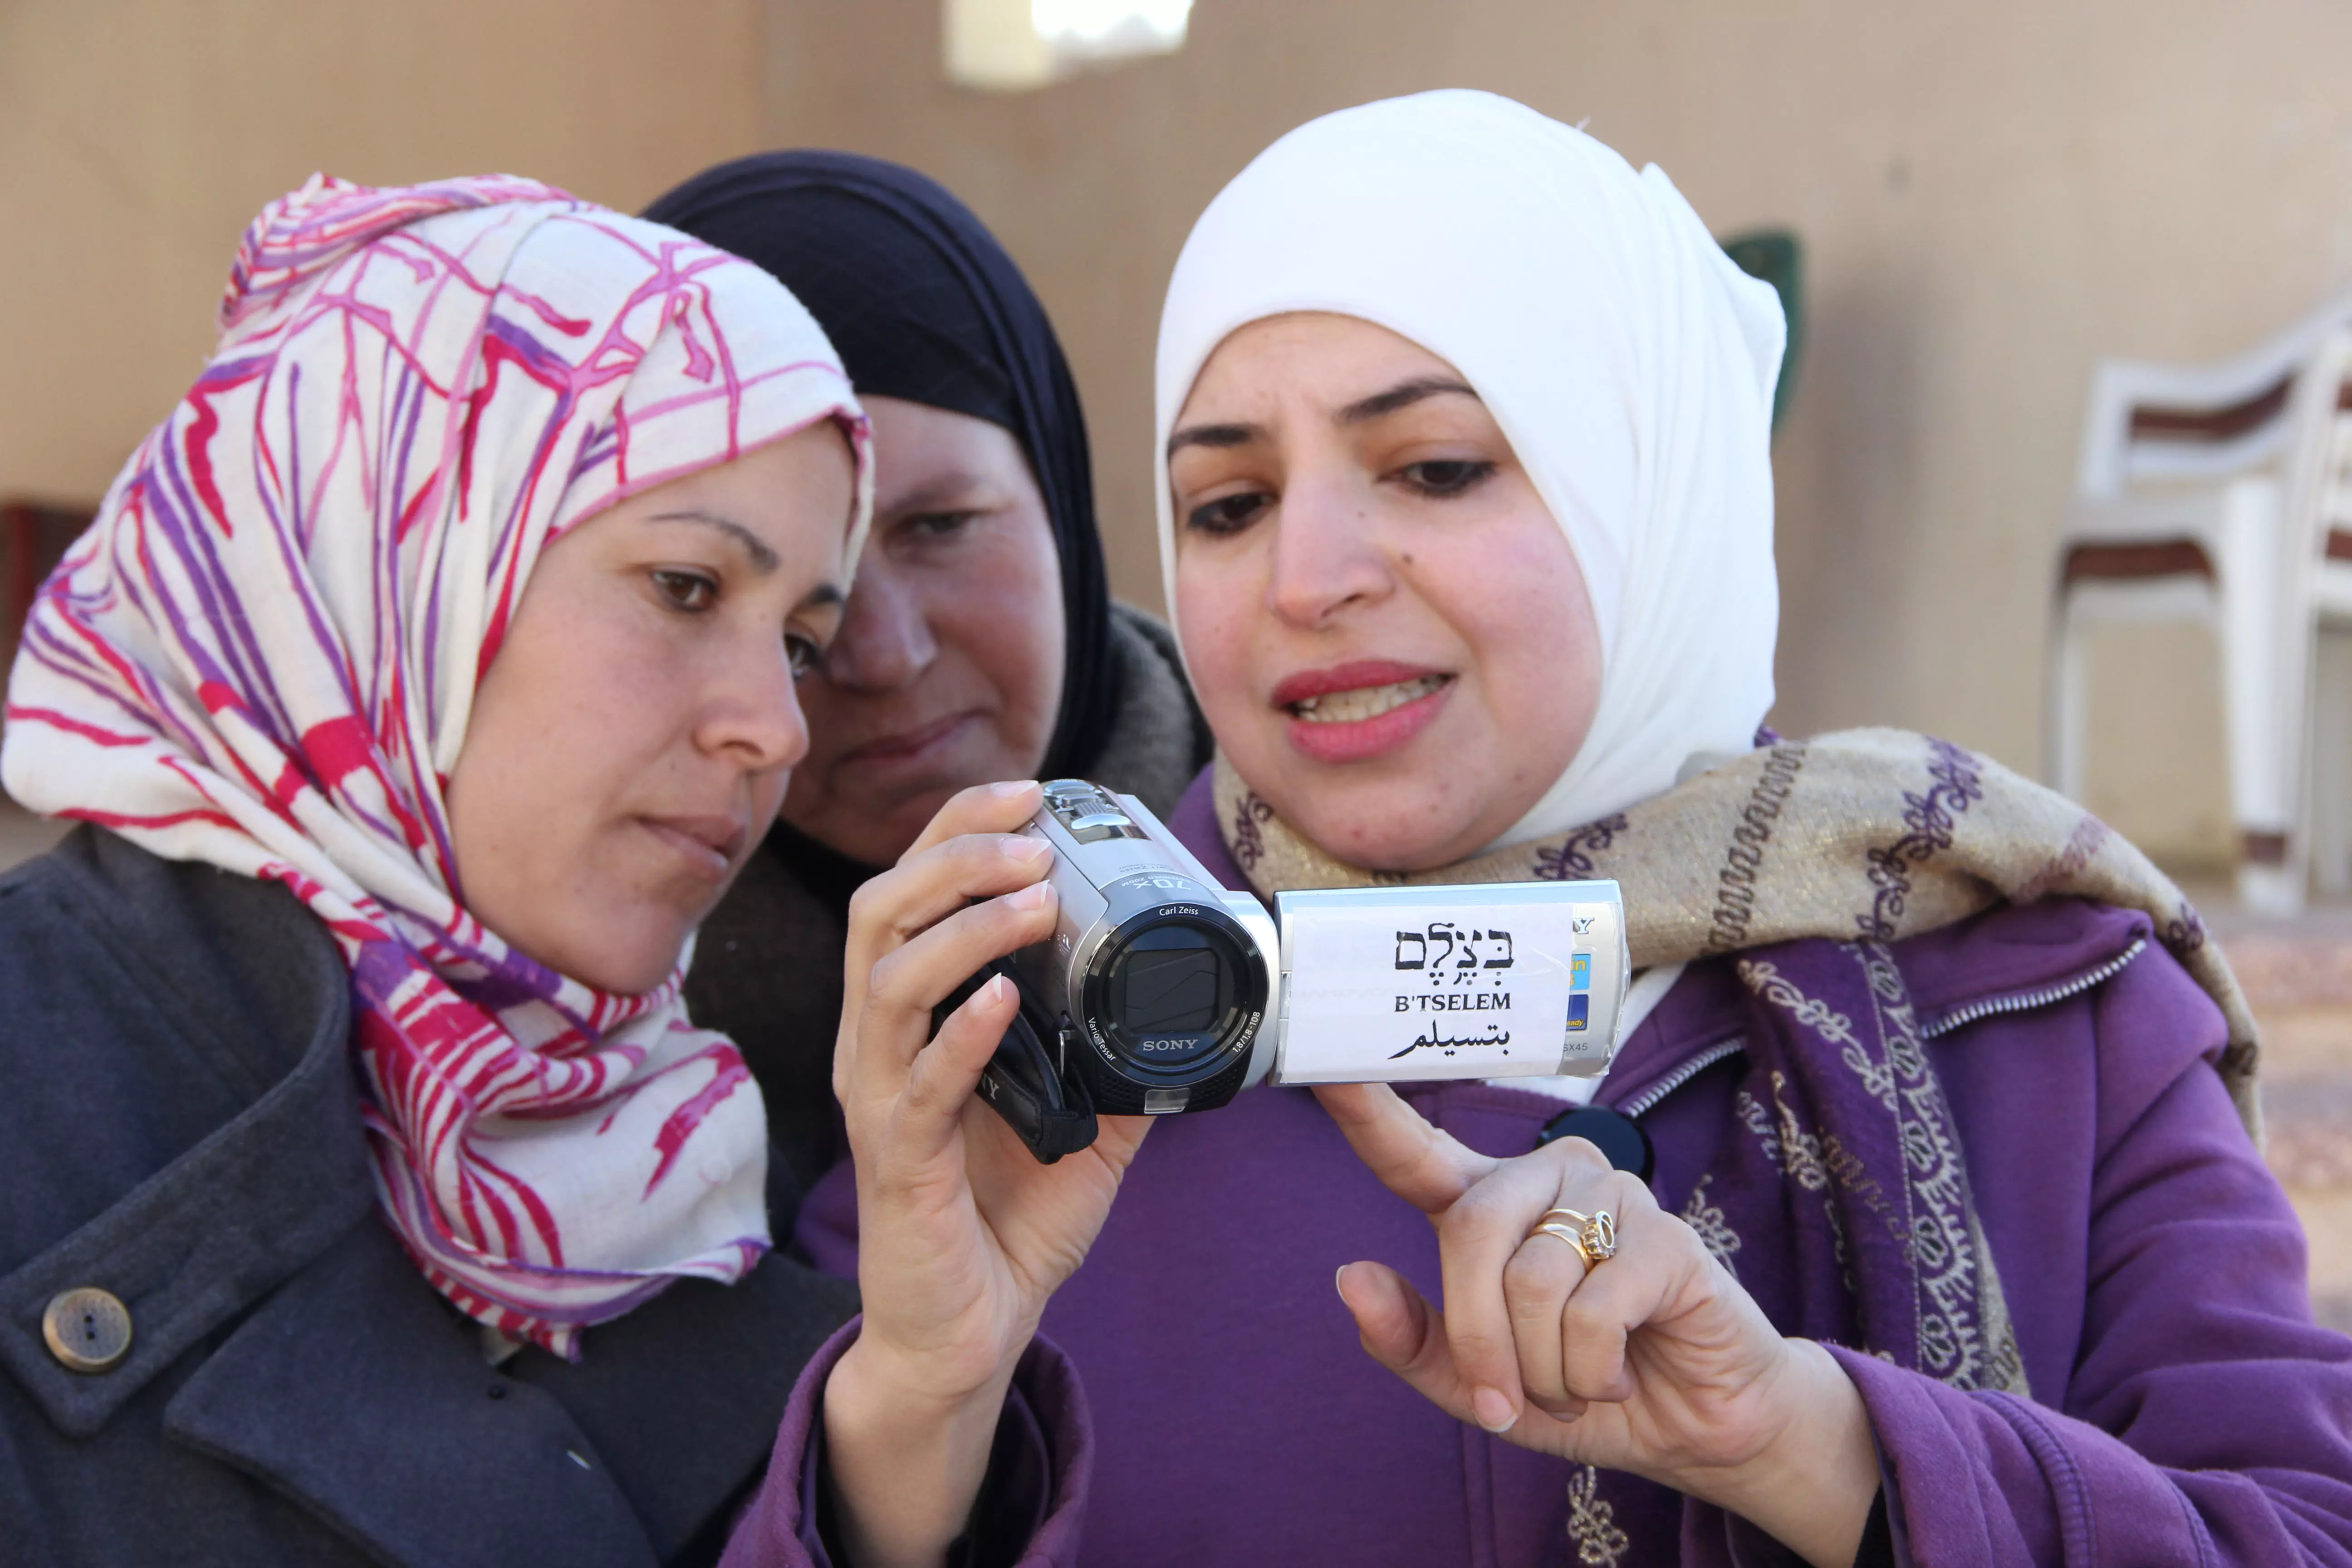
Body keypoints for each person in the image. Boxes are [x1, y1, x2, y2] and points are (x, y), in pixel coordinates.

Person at [721, 93, 2352, 1568]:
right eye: (1226, 503)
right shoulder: (1044, 1042)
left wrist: (1813, 1446)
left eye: (1432, 466)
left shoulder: (2038, 988)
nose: (1309, 576)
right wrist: (911, 1424)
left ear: (1647, 486)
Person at [0, 173, 877, 1567]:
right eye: (688, 588)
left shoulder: (701, 1170)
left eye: (801, 642)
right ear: (388, 560)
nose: (774, 727)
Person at [640, 153, 1210, 1192]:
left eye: (941, 526)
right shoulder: (572, 1037)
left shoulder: (1316, 896)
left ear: (1060, 501)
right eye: (708, 584)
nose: (882, 653)